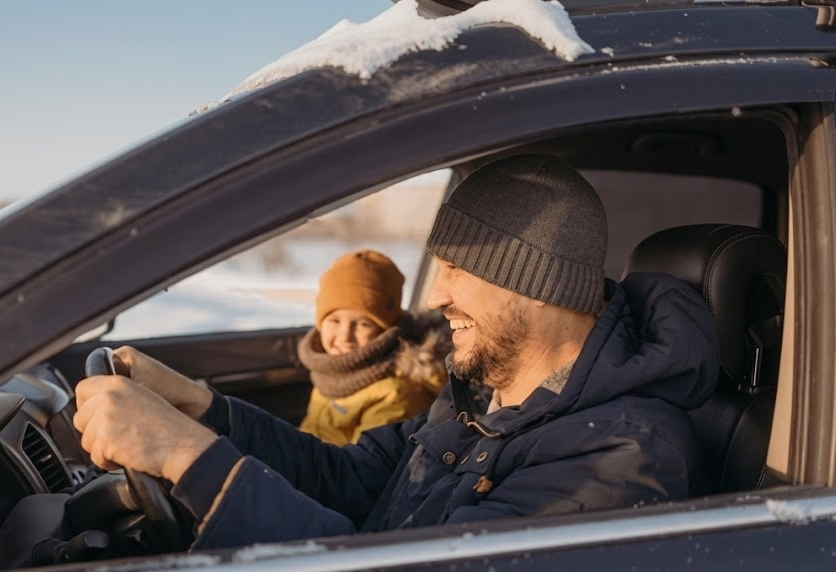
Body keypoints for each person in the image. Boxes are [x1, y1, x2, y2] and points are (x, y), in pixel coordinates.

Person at [74, 154, 718, 551]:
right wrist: (202, 408)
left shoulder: (623, 455)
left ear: (539, 284)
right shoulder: (485, 399)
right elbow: (350, 479)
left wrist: (188, 458)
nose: (435, 297)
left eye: (457, 270)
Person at [297, 248, 449, 445]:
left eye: (362, 324)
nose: (345, 336)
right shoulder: (329, 370)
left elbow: (360, 467)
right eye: (334, 321)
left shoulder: (395, 393)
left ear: (385, 331)